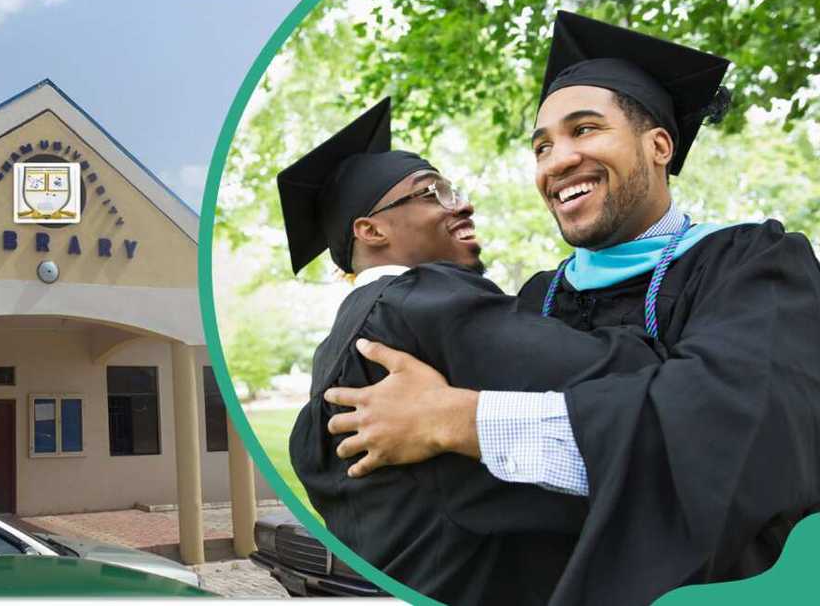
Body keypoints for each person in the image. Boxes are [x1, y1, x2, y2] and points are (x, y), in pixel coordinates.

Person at [322, 11, 820, 606]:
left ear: (658, 144)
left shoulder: (756, 265)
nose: (556, 161)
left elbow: (735, 439)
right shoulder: (538, 297)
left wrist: (456, 420)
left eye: (584, 130)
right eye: (542, 146)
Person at [280, 96, 670, 605]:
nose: (460, 204)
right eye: (431, 194)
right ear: (371, 230)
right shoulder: (422, 304)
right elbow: (625, 374)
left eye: (451, 189)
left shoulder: (337, 348)